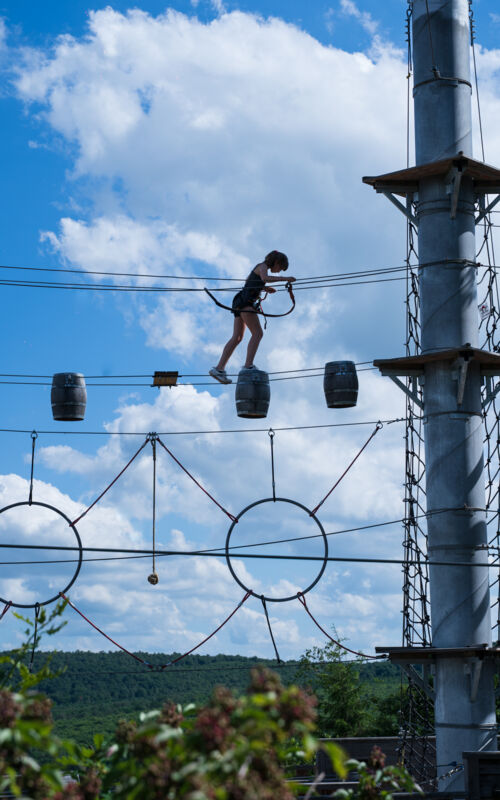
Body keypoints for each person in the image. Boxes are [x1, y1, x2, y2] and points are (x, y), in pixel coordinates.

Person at [209, 250, 295, 384]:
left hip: (240, 302)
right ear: (277, 262)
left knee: (237, 337)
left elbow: (251, 282)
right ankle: (248, 365)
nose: (279, 272)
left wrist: (264, 289)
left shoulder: (260, 267)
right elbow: (264, 278)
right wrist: (285, 279)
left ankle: (219, 369)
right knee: (258, 333)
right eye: (280, 268)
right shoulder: (263, 266)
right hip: (246, 303)